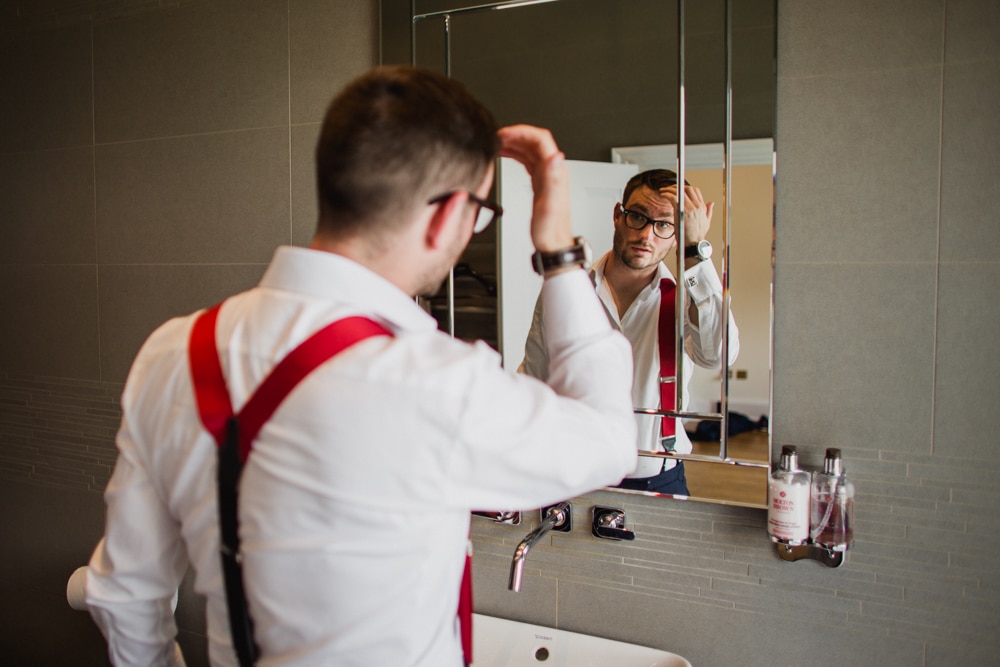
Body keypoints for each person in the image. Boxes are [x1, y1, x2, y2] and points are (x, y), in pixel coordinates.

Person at [80, 65, 637, 666]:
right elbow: (609, 439)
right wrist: (558, 254)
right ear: (450, 215)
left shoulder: (173, 351)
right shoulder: (436, 382)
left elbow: (122, 594)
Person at [520, 169, 739, 495]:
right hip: (572, 471)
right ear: (617, 216)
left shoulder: (685, 298)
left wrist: (695, 251)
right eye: (638, 216)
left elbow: (717, 355)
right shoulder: (569, 290)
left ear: (677, 234)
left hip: (658, 476)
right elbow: (536, 374)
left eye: (664, 224)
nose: (646, 235)